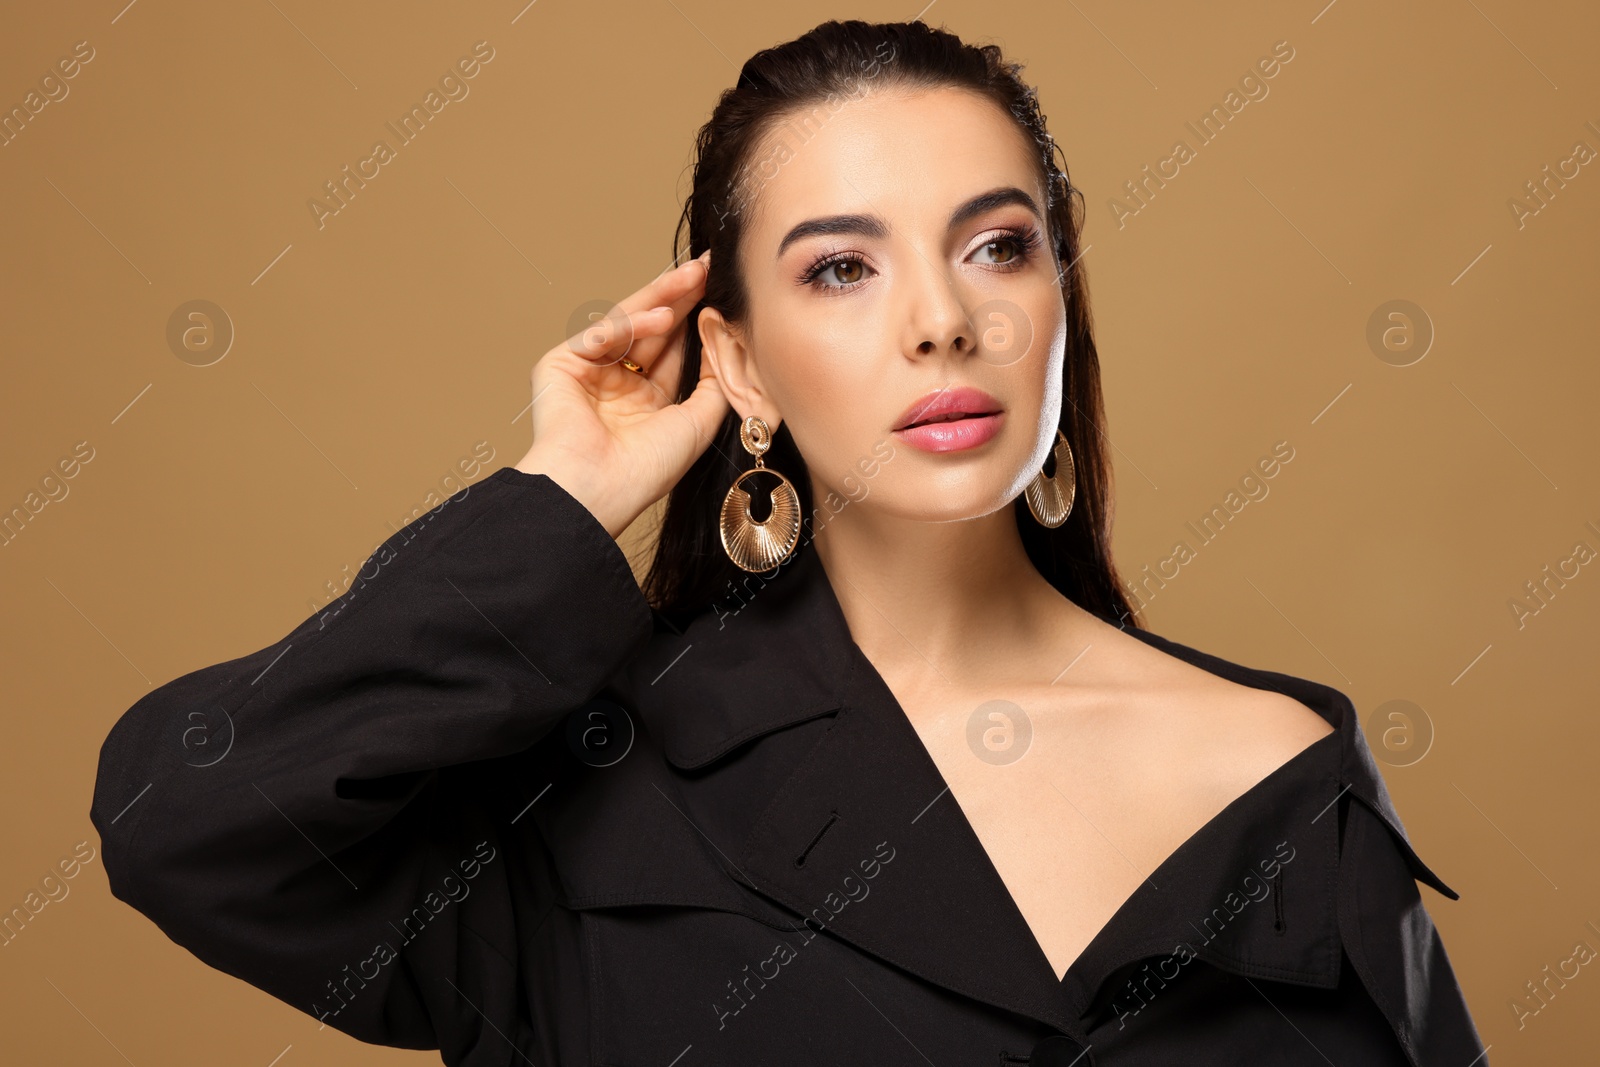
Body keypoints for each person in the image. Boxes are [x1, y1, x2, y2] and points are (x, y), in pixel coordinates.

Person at [90, 19, 1487, 1066]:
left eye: (1000, 246)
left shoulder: (1291, 775)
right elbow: (189, 824)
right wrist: (562, 494)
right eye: (840, 267)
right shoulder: (595, 789)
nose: (943, 318)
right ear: (739, 366)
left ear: (1063, 300)